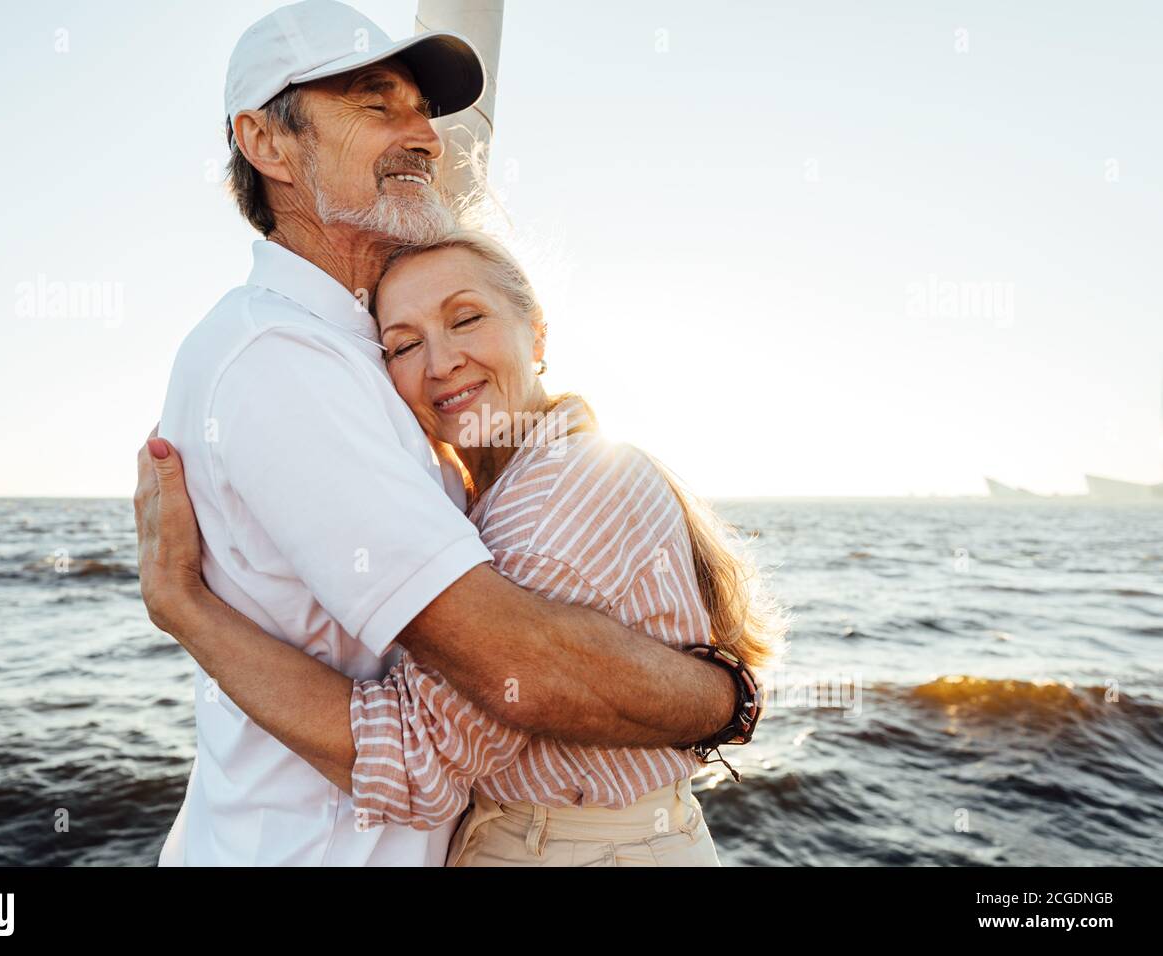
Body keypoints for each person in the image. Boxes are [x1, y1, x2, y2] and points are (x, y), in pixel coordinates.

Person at [144, 0, 746, 866]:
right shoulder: (280, 359)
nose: (424, 134)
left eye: (423, 109)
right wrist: (726, 701)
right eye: (376, 104)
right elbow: (520, 665)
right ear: (266, 143)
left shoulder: (368, 340)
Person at [138, 230, 789, 865]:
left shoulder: (558, 492)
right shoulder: (493, 488)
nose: (441, 361)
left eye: (466, 318)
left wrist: (184, 608)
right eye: (403, 345)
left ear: (536, 333)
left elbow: (413, 766)